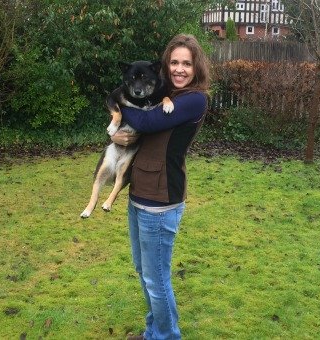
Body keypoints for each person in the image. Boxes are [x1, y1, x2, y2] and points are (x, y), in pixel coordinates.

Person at [111, 34, 210, 340]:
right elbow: (135, 126)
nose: (180, 69)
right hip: (139, 192)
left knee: (157, 279)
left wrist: (117, 102)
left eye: (187, 64)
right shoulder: (163, 93)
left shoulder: (194, 99)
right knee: (145, 272)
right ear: (166, 65)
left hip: (162, 199)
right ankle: (154, 331)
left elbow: (148, 123)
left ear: (196, 68)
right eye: (175, 62)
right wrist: (117, 135)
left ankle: (167, 337)